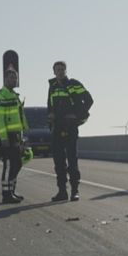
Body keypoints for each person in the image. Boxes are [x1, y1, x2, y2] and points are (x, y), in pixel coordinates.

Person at [47, 61, 93, 201]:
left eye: (62, 69)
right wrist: (50, 117)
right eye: (57, 69)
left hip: (70, 127)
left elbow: (89, 100)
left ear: (66, 70)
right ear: (54, 71)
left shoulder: (74, 84)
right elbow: (49, 105)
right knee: (59, 162)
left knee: (72, 160)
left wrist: (77, 116)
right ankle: (62, 191)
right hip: (57, 129)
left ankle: (75, 191)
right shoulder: (53, 87)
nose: (60, 72)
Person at [0, 69, 27, 204]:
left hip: (16, 135)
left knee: (17, 164)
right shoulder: (0, 96)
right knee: (9, 164)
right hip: (7, 136)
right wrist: (4, 138)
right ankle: (6, 194)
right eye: (11, 78)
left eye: (15, 78)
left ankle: (11, 190)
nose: (14, 80)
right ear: (5, 79)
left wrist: (22, 135)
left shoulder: (14, 95)